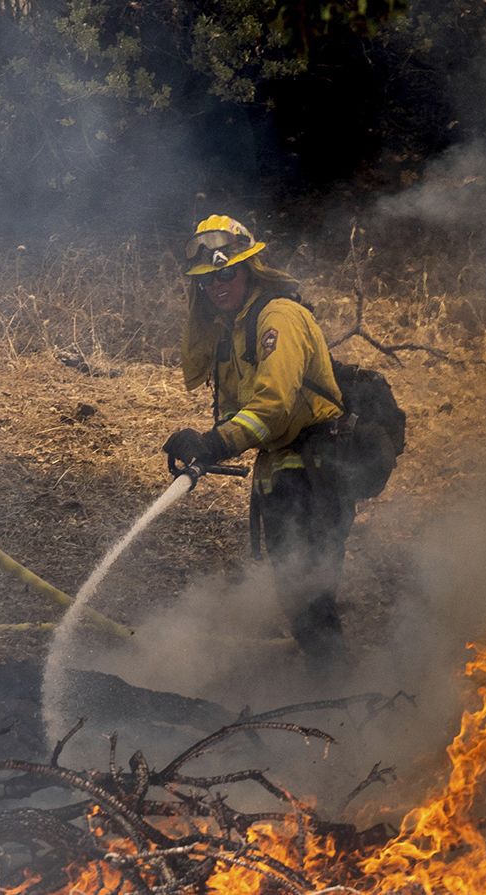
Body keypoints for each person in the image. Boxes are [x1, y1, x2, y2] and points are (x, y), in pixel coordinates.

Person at [162, 214, 353, 667]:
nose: (217, 285)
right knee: (297, 591)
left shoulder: (278, 319)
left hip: (316, 469)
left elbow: (273, 408)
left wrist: (215, 443)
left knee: (308, 592)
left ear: (249, 269)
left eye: (226, 272)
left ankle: (341, 692)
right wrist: (210, 442)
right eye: (207, 279)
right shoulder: (235, 329)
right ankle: (328, 677)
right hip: (283, 469)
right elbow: (241, 410)